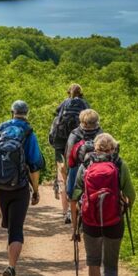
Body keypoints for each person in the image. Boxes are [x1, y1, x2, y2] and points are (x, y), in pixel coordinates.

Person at [71, 133, 135, 276]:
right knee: (111, 265)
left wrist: (75, 226)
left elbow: (75, 196)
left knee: (93, 260)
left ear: (95, 148)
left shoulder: (86, 166)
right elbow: (131, 194)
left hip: (90, 221)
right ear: (113, 148)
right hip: (114, 221)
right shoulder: (120, 165)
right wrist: (124, 206)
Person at [0, 100, 44, 276]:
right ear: (26, 113)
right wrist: (36, 190)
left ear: (12, 112)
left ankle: (10, 263)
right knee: (16, 230)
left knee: (8, 226)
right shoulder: (28, 133)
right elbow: (35, 165)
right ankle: (11, 268)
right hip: (19, 188)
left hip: (1, 188)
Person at [48, 83, 90, 225]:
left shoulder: (65, 103)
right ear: (81, 93)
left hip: (60, 144)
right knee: (80, 176)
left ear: (69, 93)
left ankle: (66, 213)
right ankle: (80, 210)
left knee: (63, 178)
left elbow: (56, 113)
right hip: (80, 146)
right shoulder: (85, 104)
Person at [64, 109, 103, 207]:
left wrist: (68, 170)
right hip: (98, 169)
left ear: (82, 121)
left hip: (77, 168)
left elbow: (69, 155)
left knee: (73, 195)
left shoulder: (74, 134)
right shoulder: (100, 133)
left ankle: (73, 219)